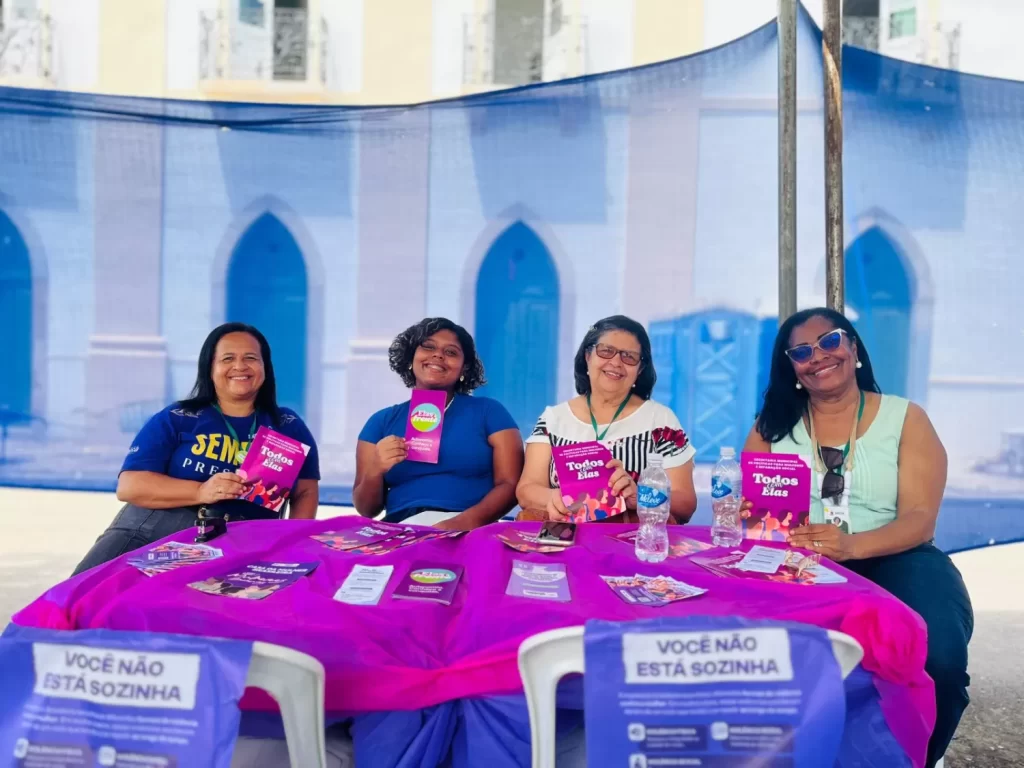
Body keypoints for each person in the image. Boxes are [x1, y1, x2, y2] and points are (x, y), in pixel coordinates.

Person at [743, 307, 972, 768]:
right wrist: (749, 513)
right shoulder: (771, 427)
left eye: (829, 341)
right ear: (791, 368)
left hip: (898, 555)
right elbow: (755, 513)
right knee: (766, 659)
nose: (818, 357)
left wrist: (851, 546)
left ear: (853, 348)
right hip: (798, 563)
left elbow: (920, 518)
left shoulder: (905, 418)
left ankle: (917, 758)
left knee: (940, 662)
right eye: (801, 352)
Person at [72, 323, 321, 575]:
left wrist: (291, 544)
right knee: (80, 594)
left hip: (243, 544)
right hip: (153, 530)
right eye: (227, 358)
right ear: (210, 368)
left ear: (265, 367)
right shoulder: (178, 417)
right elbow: (130, 486)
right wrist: (201, 491)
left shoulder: (287, 425)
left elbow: (305, 492)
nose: (240, 366)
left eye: (250, 358)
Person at [516, 315, 698, 523]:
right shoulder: (553, 419)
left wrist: (641, 496)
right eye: (606, 350)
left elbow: (686, 503)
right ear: (588, 356)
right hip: (564, 537)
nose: (616, 362)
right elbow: (526, 490)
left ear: (640, 369)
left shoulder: (661, 421)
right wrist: (554, 498)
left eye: (629, 356)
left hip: (632, 540)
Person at [353, 317, 524, 528]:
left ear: (464, 369)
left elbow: (510, 484)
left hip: (469, 530)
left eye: (451, 352)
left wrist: (461, 524)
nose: (438, 355)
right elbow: (366, 509)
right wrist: (375, 469)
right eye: (428, 346)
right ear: (411, 357)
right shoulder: (381, 421)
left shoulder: (489, 412)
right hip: (400, 530)